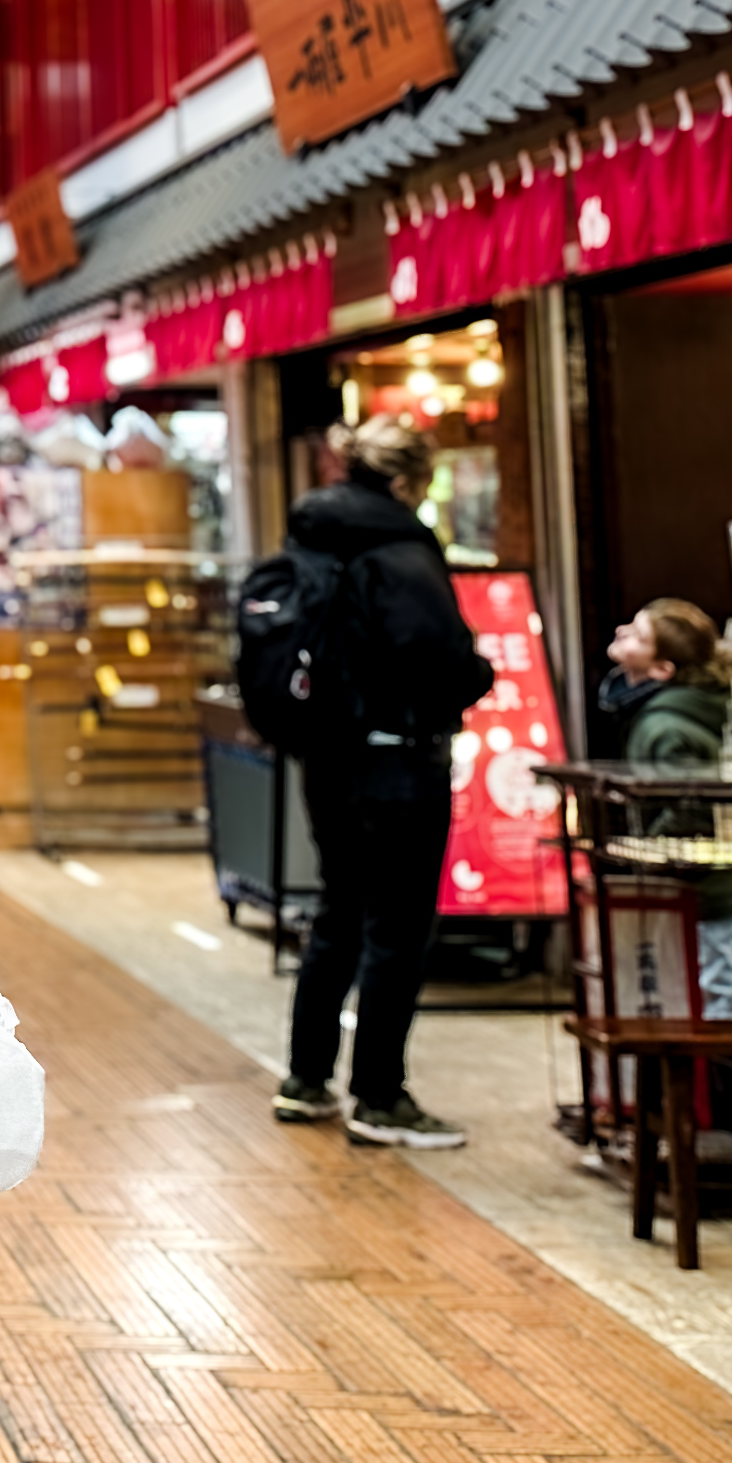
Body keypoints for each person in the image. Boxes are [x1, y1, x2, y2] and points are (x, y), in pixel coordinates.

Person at [270, 420, 493, 1149]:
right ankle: (380, 1095)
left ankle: (306, 1080)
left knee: (338, 913)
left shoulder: (311, 536)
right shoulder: (400, 550)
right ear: (406, 483)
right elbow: (439, 658)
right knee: (397, 929)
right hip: (398, 762)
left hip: (326, 759)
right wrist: (478, 672)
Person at [610, 599, 732, 1018]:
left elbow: (693, 808)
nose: (621, 633)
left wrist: (648, 851)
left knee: (719, 1002)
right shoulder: (669, 713)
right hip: (699, 886)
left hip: (708, 888)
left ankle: (724, 1082)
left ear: (662, 670)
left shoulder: (669, 724)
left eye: (638, 634)